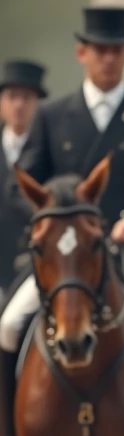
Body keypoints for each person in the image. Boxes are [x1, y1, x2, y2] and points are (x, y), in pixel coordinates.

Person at [0, 7, 124, 436]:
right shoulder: (52, 115)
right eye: (99, 50)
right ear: (82, 54)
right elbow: (19, 186)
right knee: (9, 326)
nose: (107, 58)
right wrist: (53, 219)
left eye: (116, 50)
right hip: (64, 262)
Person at [0, 61, 48, 298]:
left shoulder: (49, 151)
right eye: (12, 97)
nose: (19, 105)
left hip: (37, 265)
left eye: (27, 98)